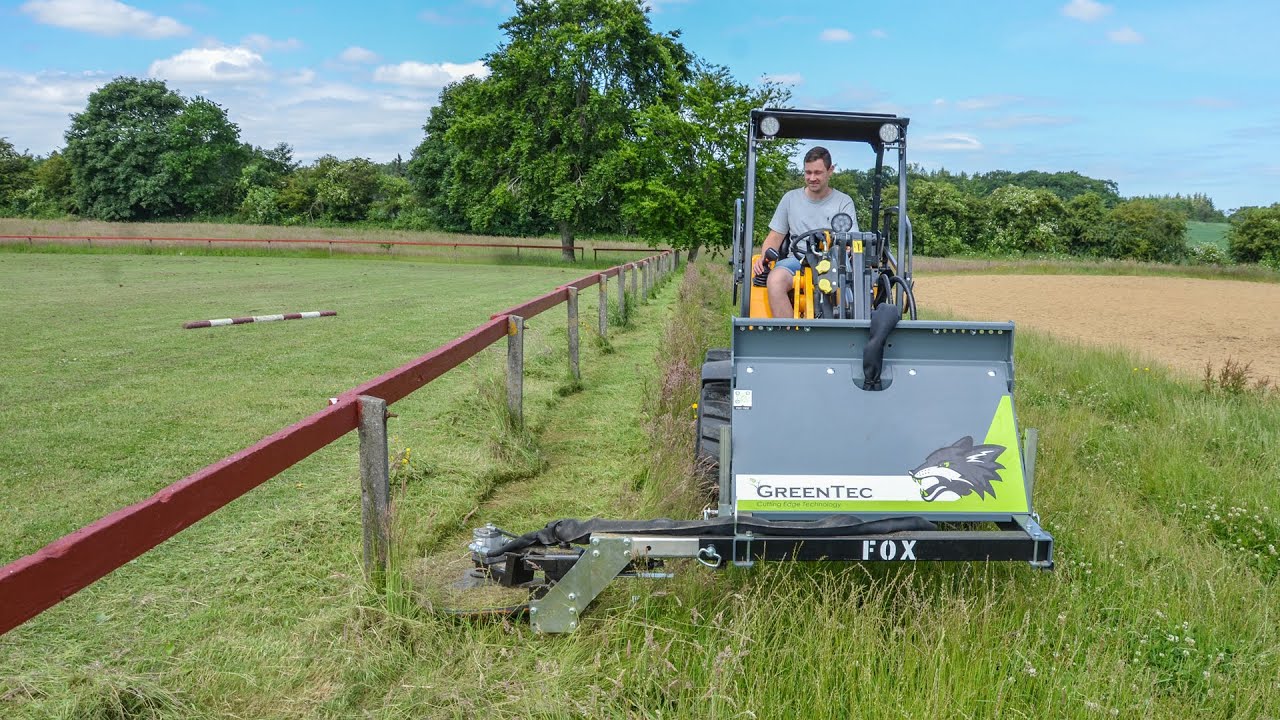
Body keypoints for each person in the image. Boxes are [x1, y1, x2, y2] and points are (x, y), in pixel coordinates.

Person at [751, 146, 857, 318]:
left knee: (849, 284)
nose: (812, 178)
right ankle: (790, 336)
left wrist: (847, 249)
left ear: (830, 171)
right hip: (796, 262)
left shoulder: (843, 202)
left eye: (817, 172)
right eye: (808, 172)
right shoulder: (790, 199)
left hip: (833, 263)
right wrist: (765, 257)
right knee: (775, 280)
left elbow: (851, 241)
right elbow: (774, 237)